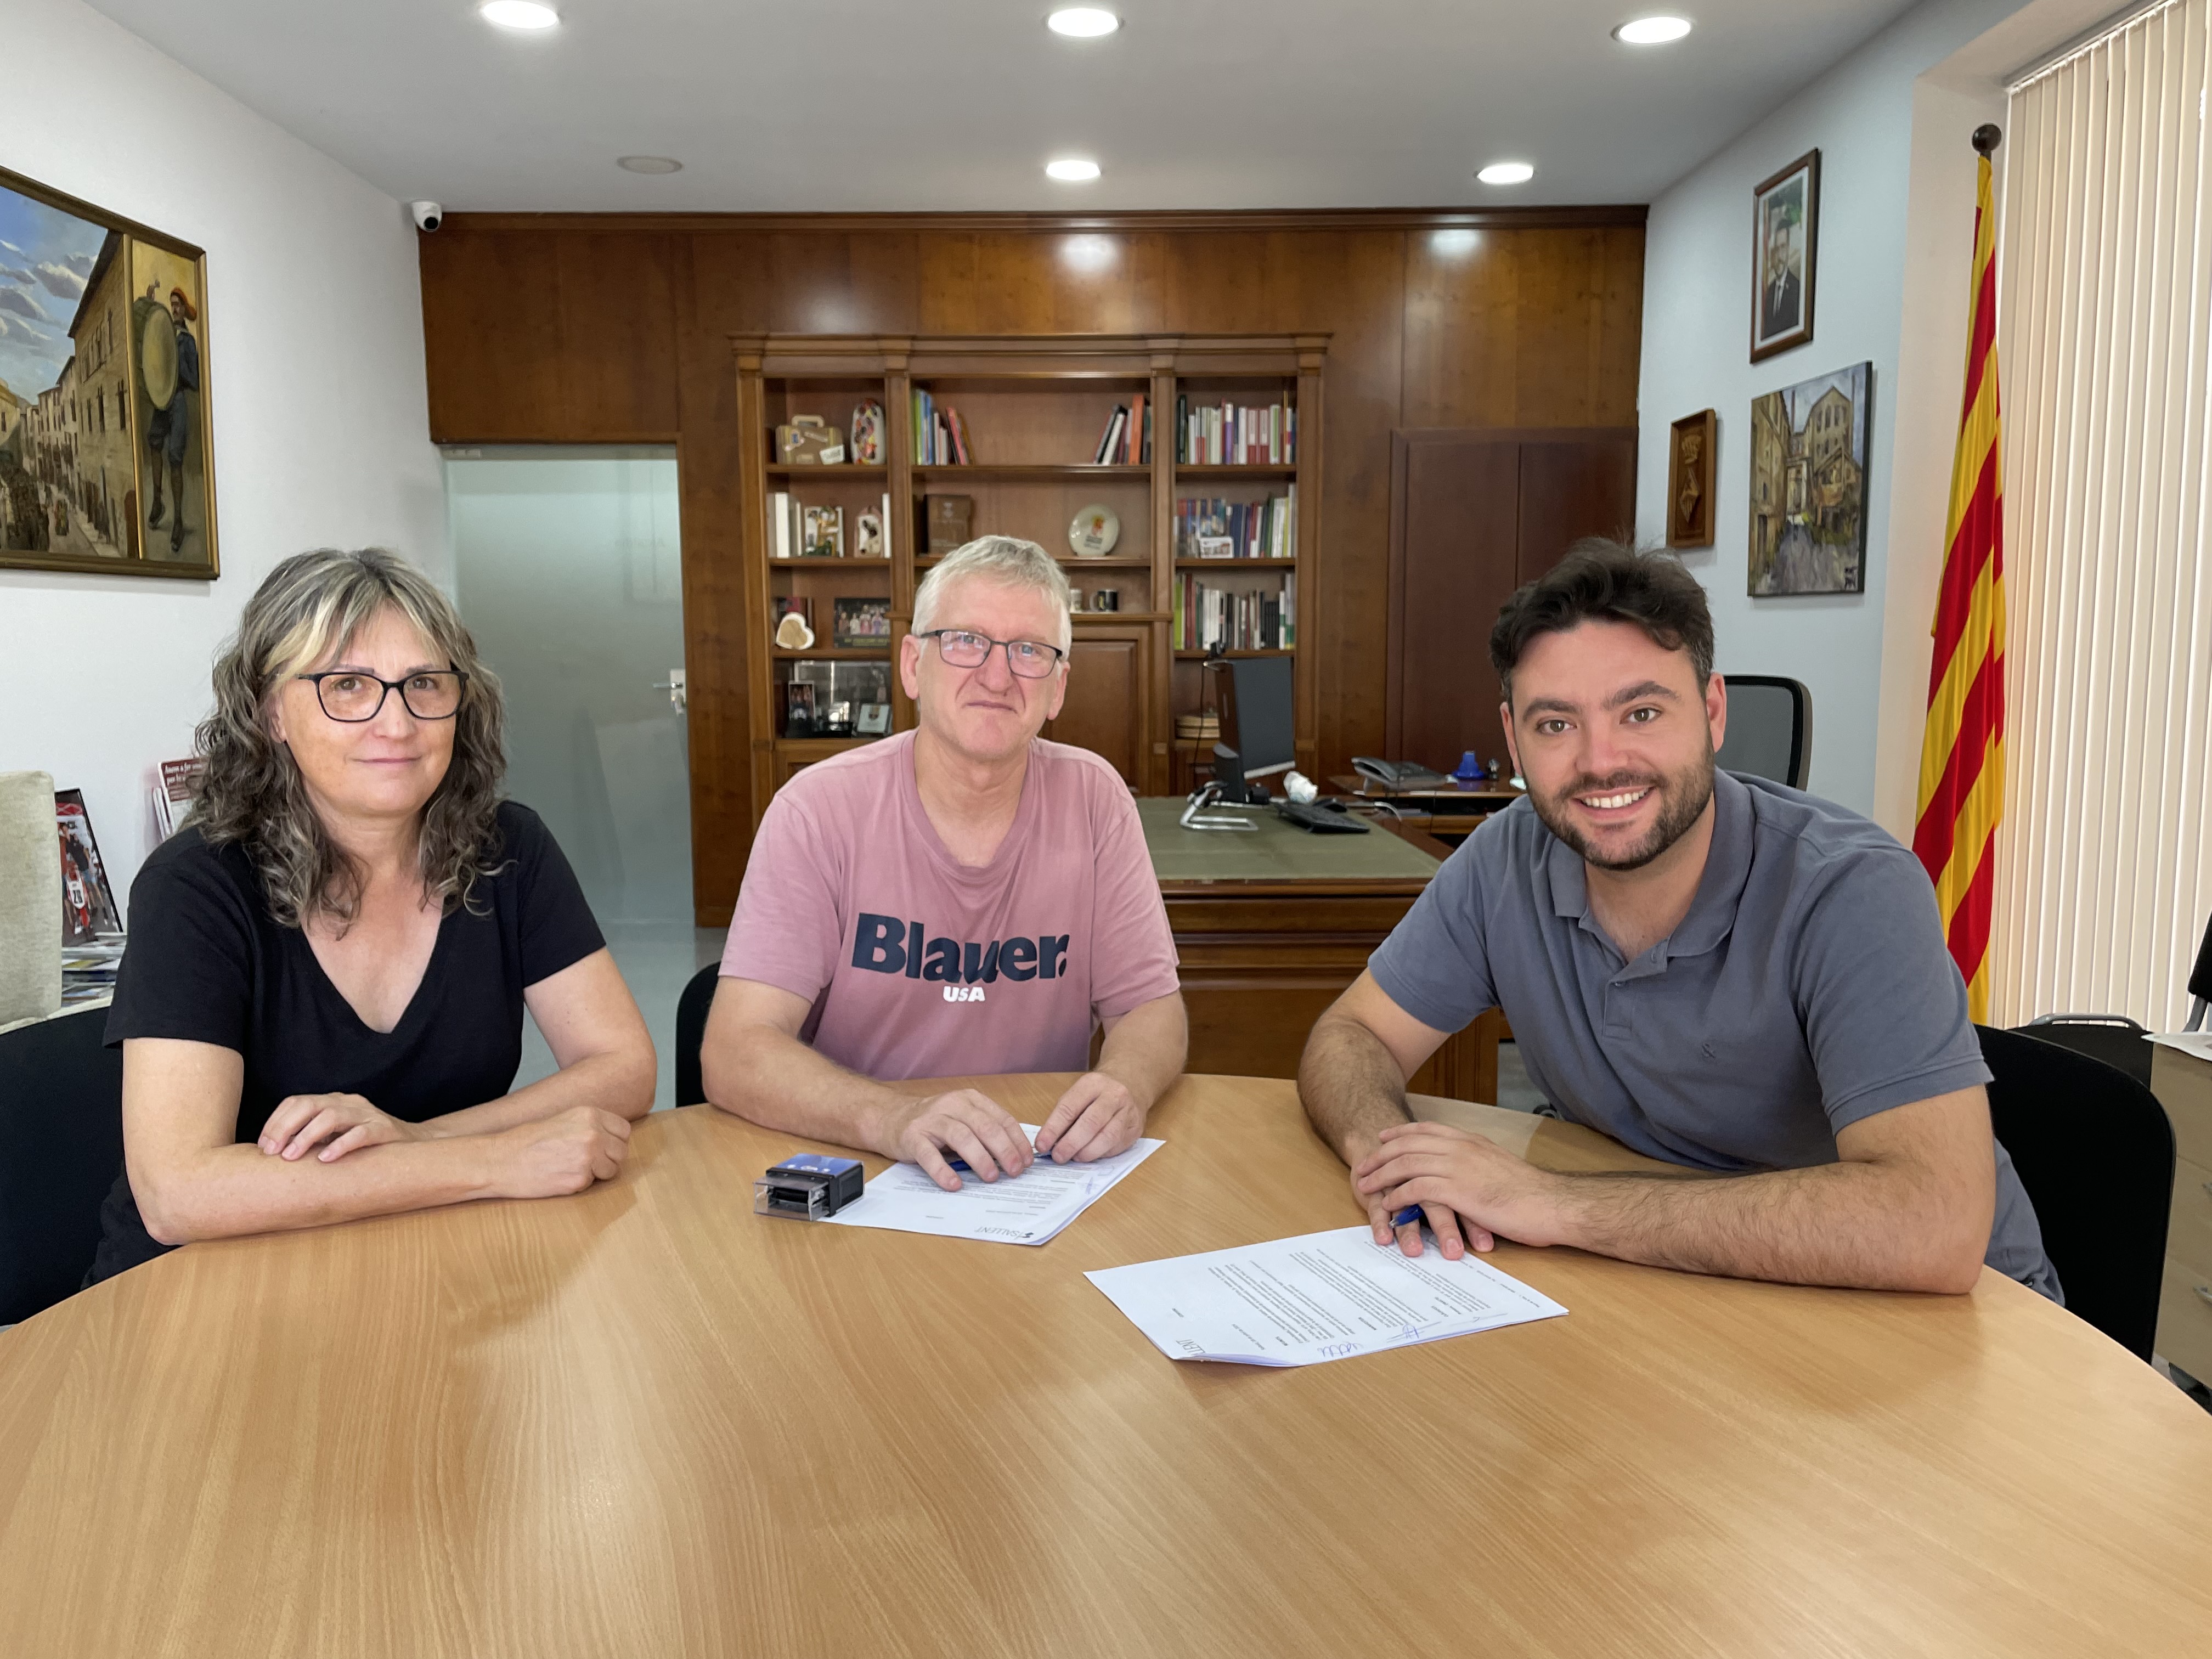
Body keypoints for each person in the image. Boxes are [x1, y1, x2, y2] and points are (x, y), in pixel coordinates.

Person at [1299, 539, 2057, 1300]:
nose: (1601, 762)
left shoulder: (1853, 889)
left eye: (1642, 712)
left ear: (1713, 712)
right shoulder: (1506, 860)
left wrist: (1553, 1202)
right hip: (1691, 1286)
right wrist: (1387, 1158)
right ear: (1513, 739)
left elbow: (1932, 1223)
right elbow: (1352, 1035)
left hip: (1943, 1325)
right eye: (1556, 725)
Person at [91, 548, 655, 1283]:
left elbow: (623, 1067)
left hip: (428, 1261)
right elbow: (178, 1193)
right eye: (347, 686)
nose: (397, 722)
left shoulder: (509, 847)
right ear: (270, 713)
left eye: (424, 684)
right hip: (209, 1288)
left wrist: (416, 1139)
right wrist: (487, 1161)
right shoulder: (196, 886)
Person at [704, 535, 1186, 1190]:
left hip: (1036, 1174)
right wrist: (894, 1118)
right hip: (868, 1163)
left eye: (1029, 652)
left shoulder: (1096, 800)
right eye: (965, 641)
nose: (997, 675)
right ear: (911, 665)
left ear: (1058, 688)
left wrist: (1125, 1084)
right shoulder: (817, 809)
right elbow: (734, 1050)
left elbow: (1149, 1011)